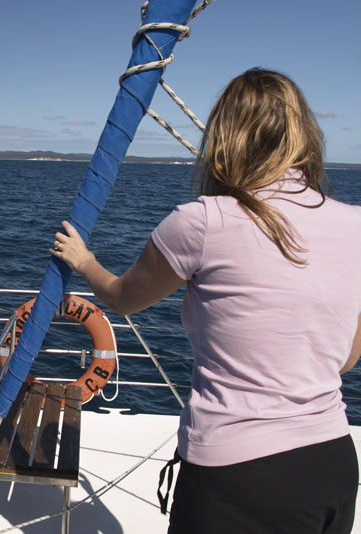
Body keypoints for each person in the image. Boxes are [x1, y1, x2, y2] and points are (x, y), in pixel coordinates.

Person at [51, 68, 361, 533]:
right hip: (331, 462)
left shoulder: (203, 221)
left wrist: (84, 260)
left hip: (239, 472)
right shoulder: (355, 223)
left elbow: (123, 299)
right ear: (303, 134)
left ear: (226, 136)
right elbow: (346, 360)